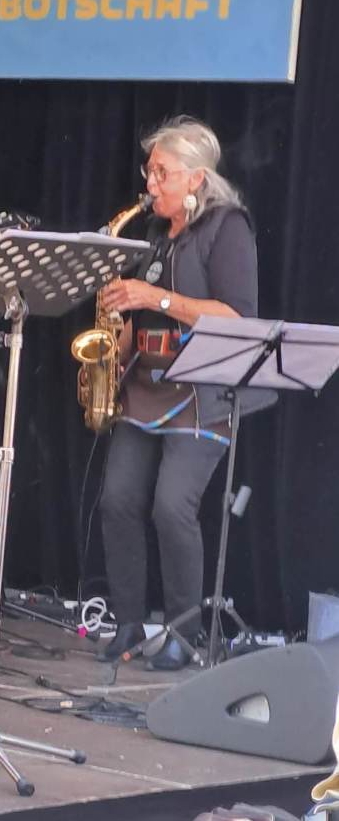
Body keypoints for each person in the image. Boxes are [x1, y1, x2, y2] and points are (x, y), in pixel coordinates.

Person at [98, 115, 259, 670]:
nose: (150, 184)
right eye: (149, 173)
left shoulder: (226, 227)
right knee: (117, 500)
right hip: (144, 385)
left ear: (196, 178)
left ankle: (183, 634)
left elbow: (237, 317)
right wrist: (111, 349)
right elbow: (137, 319)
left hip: (202, 393)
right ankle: (127, 624)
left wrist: (154, 298)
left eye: (161, 173)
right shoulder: (151, 235)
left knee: (172, 507)